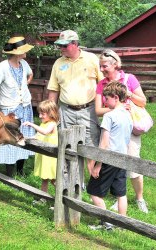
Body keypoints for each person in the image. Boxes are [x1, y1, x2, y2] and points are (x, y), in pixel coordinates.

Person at [95, 49, 148, 213]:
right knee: (116, 164)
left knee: (132, 162)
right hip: (112, 129)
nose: (102, 70)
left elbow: (143, 102)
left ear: (115, 65)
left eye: (104, 66)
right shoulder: (101, 84)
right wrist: (117, 109)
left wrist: (128, 94)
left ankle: (139, 198)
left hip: (130, 129)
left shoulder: (129, 78)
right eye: (100, 66)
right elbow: (98, 110)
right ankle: (120, 197)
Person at [47, 30, 103, 183]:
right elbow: (53, 90)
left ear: (75, 44)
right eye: (60, 46)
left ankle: (93, 188)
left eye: (65, 46)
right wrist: (50, 116)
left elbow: (104, 84)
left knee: (91, 148)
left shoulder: (91, 59)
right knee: (67, 148)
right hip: (65, 111)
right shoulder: (58, 63)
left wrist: (106, 107)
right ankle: (72, 183)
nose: (61, 49)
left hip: (88, 110)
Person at [0, 36, 35, 177]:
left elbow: (30, 74)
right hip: (10, 110)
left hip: (26, 108)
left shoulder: (24, 64)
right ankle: (9, 175)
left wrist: (25, 84)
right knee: (10, 140)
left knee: (24, 138)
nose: (26, 52)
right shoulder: (3, 67)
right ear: (16, 52)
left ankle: (20, 171)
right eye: (23, 50)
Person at [87, 81, 133, 229]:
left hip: (109, 159)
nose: (105, 102)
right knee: (121, 193)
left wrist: (97, 164)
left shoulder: (109, 116)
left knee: (94, 192)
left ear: (115, 97)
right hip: (123, 158)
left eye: (106, 99)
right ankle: (122, 223)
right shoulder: (128, 115)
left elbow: (104, 143)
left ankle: (107, 223)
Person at [23, 100, 59, 198]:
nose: (40, 116)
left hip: (50, 157)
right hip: (44, 156)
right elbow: (38, 136)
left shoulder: (52, 124)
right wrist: (27, 138)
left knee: (54, 180)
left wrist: (32, 124)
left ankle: (61, 198)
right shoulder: (43, 123)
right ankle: (43, 197)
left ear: (51, 113)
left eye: (42, 114)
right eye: (39, 114)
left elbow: (45, 132)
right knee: (44, 178)